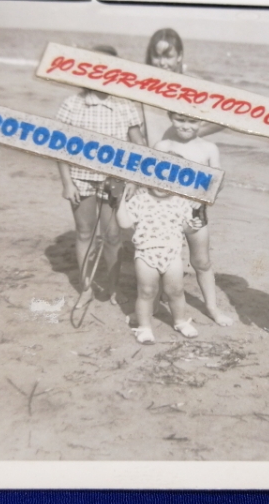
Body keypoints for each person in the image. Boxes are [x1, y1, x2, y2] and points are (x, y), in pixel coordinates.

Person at [55, 45, 145, 298]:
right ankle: (85, 287)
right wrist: (67, 182)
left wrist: (134, 179)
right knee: (84, 232)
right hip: (80, 179)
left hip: (114, 180)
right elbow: (58, 145)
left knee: (113, 236)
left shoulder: (125, 105)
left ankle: (112, 289)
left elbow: (139, 146)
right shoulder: (73, 104)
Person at [154, 112, 235, 325]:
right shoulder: (162, 146)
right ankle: (157, 299)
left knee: (202, 262)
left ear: (202, 121)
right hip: (166, 211)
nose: (186, 126)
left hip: (195, 211)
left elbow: (218, 181)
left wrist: (202, 198)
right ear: (170, 117)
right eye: (180, 120)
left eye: (192, 121)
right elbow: (152, 179)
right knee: (164, 258)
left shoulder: (209, 148)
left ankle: (212, 308)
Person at [116, 184, 200, 343]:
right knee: (146, 292)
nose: (162, 185)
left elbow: (186, 227)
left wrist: (193, 227)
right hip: (146, 253)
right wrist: (119, 200)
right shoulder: (139, 199)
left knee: (176, 291)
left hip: (172, 253)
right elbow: (125, 223)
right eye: (158, 179)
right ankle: (144, 327)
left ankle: (180, 321)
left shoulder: (181, 201)